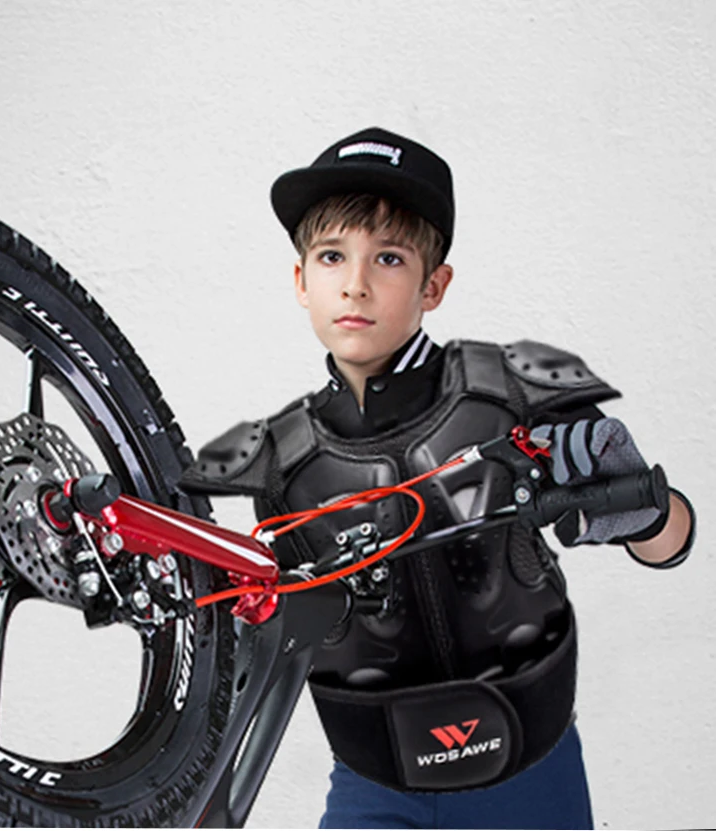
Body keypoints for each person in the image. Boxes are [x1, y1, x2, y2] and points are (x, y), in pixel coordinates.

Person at [180, 127, 695, 829]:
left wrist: (642, 508)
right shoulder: (276, 463)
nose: (355, 283)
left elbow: (673, 541)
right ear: (301, 280)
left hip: (531, 776)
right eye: (332, 256)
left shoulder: (517, 391)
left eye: (389, 258)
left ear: (435, 284)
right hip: (373, 788)